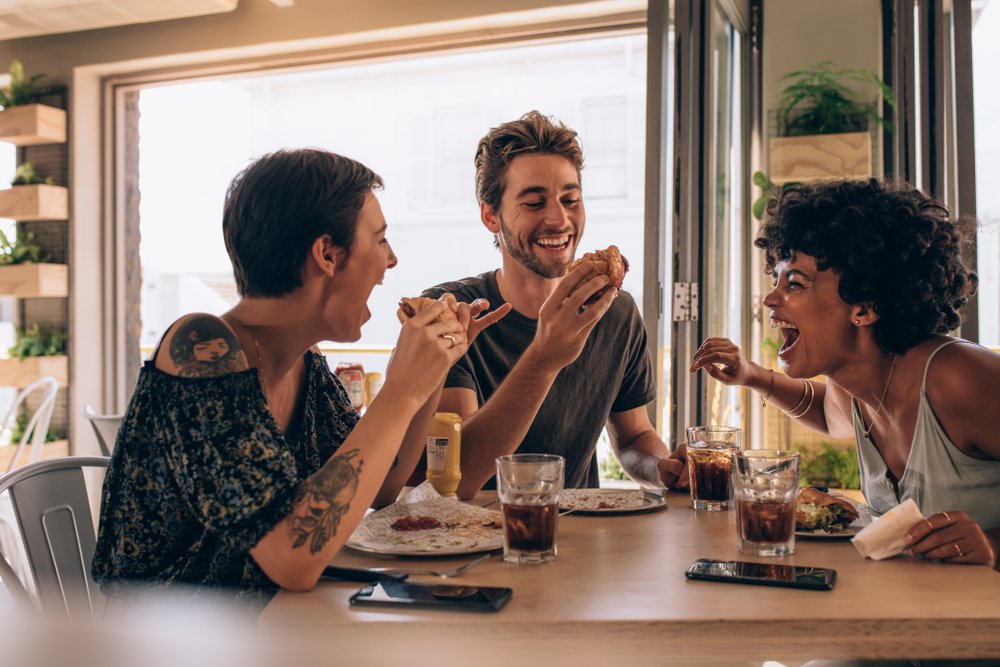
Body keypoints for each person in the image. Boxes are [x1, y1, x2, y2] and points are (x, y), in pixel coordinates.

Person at [93, 148, 498, 606]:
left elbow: (380, 487)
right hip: (166, 642)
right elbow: (292, 555)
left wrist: (434, 370)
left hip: (270, 627)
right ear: (326, 253)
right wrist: (401, 388)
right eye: (380, 240)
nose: (392, 260)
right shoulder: (201, 349)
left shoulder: (305, 364)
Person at [690, 178, 1000, 570]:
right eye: (776, 279)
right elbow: (825, 413)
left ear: (865, 308)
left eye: (795, 284)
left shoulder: (961, 378)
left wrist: (993, 544)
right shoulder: (855, 387)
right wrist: (753, 376)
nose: (771, 298)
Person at [422, 110, 688, 497]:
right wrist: (546, 356)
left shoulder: (615, 311)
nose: (559, 219)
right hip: (471, 539)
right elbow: (455, 475)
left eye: (571, 199)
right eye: (533, 203)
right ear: (490, 216)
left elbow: (634, 437)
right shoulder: (451, 313)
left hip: (577, 538)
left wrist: (661, 468)